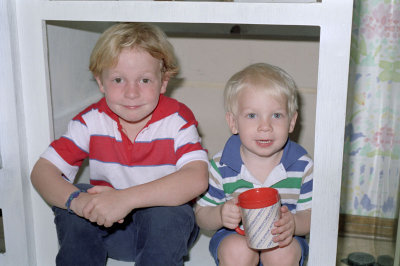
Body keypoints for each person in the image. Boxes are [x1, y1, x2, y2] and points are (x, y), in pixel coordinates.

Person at [30, 22, 209, 266]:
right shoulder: (91, 121)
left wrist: (124, 199)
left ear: (164, 81)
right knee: (74, 199)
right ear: (101, 83)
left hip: (167, 235)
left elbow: (196, 178)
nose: (131, 93)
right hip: (110, 228)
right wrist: (78, 203)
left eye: (144, 80)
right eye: (118, 80)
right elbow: (42, 172)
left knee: (169, 212)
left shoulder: (177, 120)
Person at [195, 63, 313, 266]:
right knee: (236, 250)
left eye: (276, 115)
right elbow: (201, 215)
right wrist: (220, 214)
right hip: (234, 236)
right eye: (252, 115)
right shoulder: (220, 166)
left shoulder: (303, 167)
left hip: (284, 240)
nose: (265, 127)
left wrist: (293, 224)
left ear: (292, 121)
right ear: (233, 122)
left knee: (281, 254)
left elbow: (313, 216)